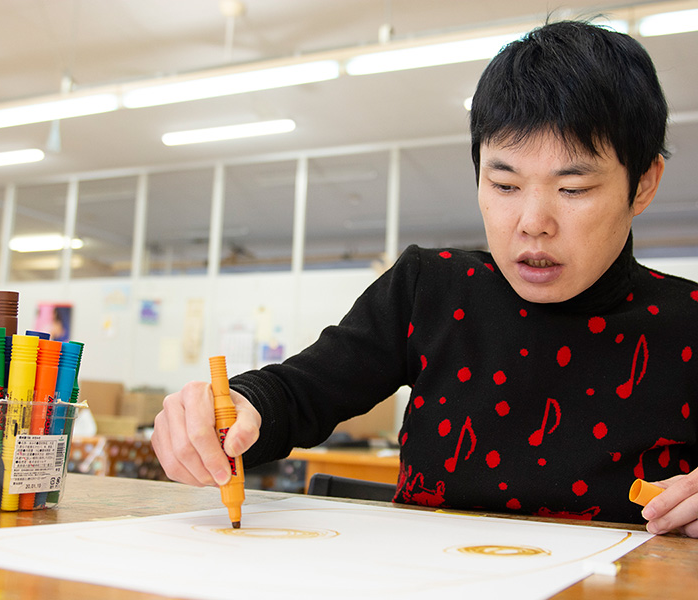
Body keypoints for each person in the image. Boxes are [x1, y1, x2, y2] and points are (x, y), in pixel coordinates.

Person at [152, 20, 698, 537]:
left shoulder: (688, 322)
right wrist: (237, 410)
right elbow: (299, 392)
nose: (533, 223)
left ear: (644, 184)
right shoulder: (431, 290)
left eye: (573, 189)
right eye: (504, 185)